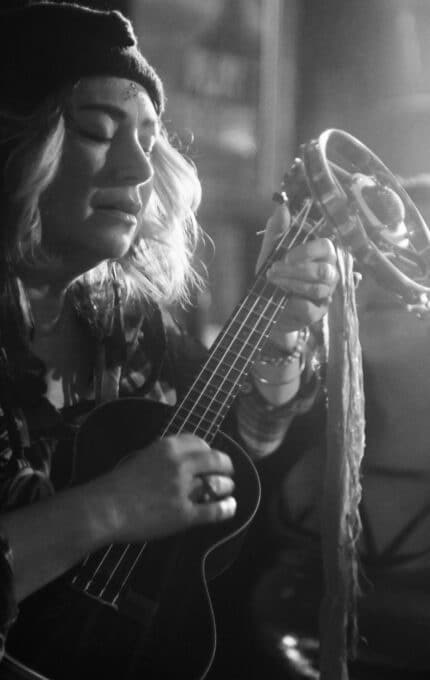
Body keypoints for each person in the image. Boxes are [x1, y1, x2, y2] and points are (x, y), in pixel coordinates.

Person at [0, 3, 339, 679]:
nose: (138, 168)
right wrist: (112, 507)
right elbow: (141, 495)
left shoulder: (132, 318)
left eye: (149, 141)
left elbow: (222, 465)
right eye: (98, 131)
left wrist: (278, 338)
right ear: (16, 147)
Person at [251, 174, 430, 680]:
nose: (381, 275)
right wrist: (274, 321)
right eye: (366, 253)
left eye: (414, 256)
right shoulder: (306, 423)